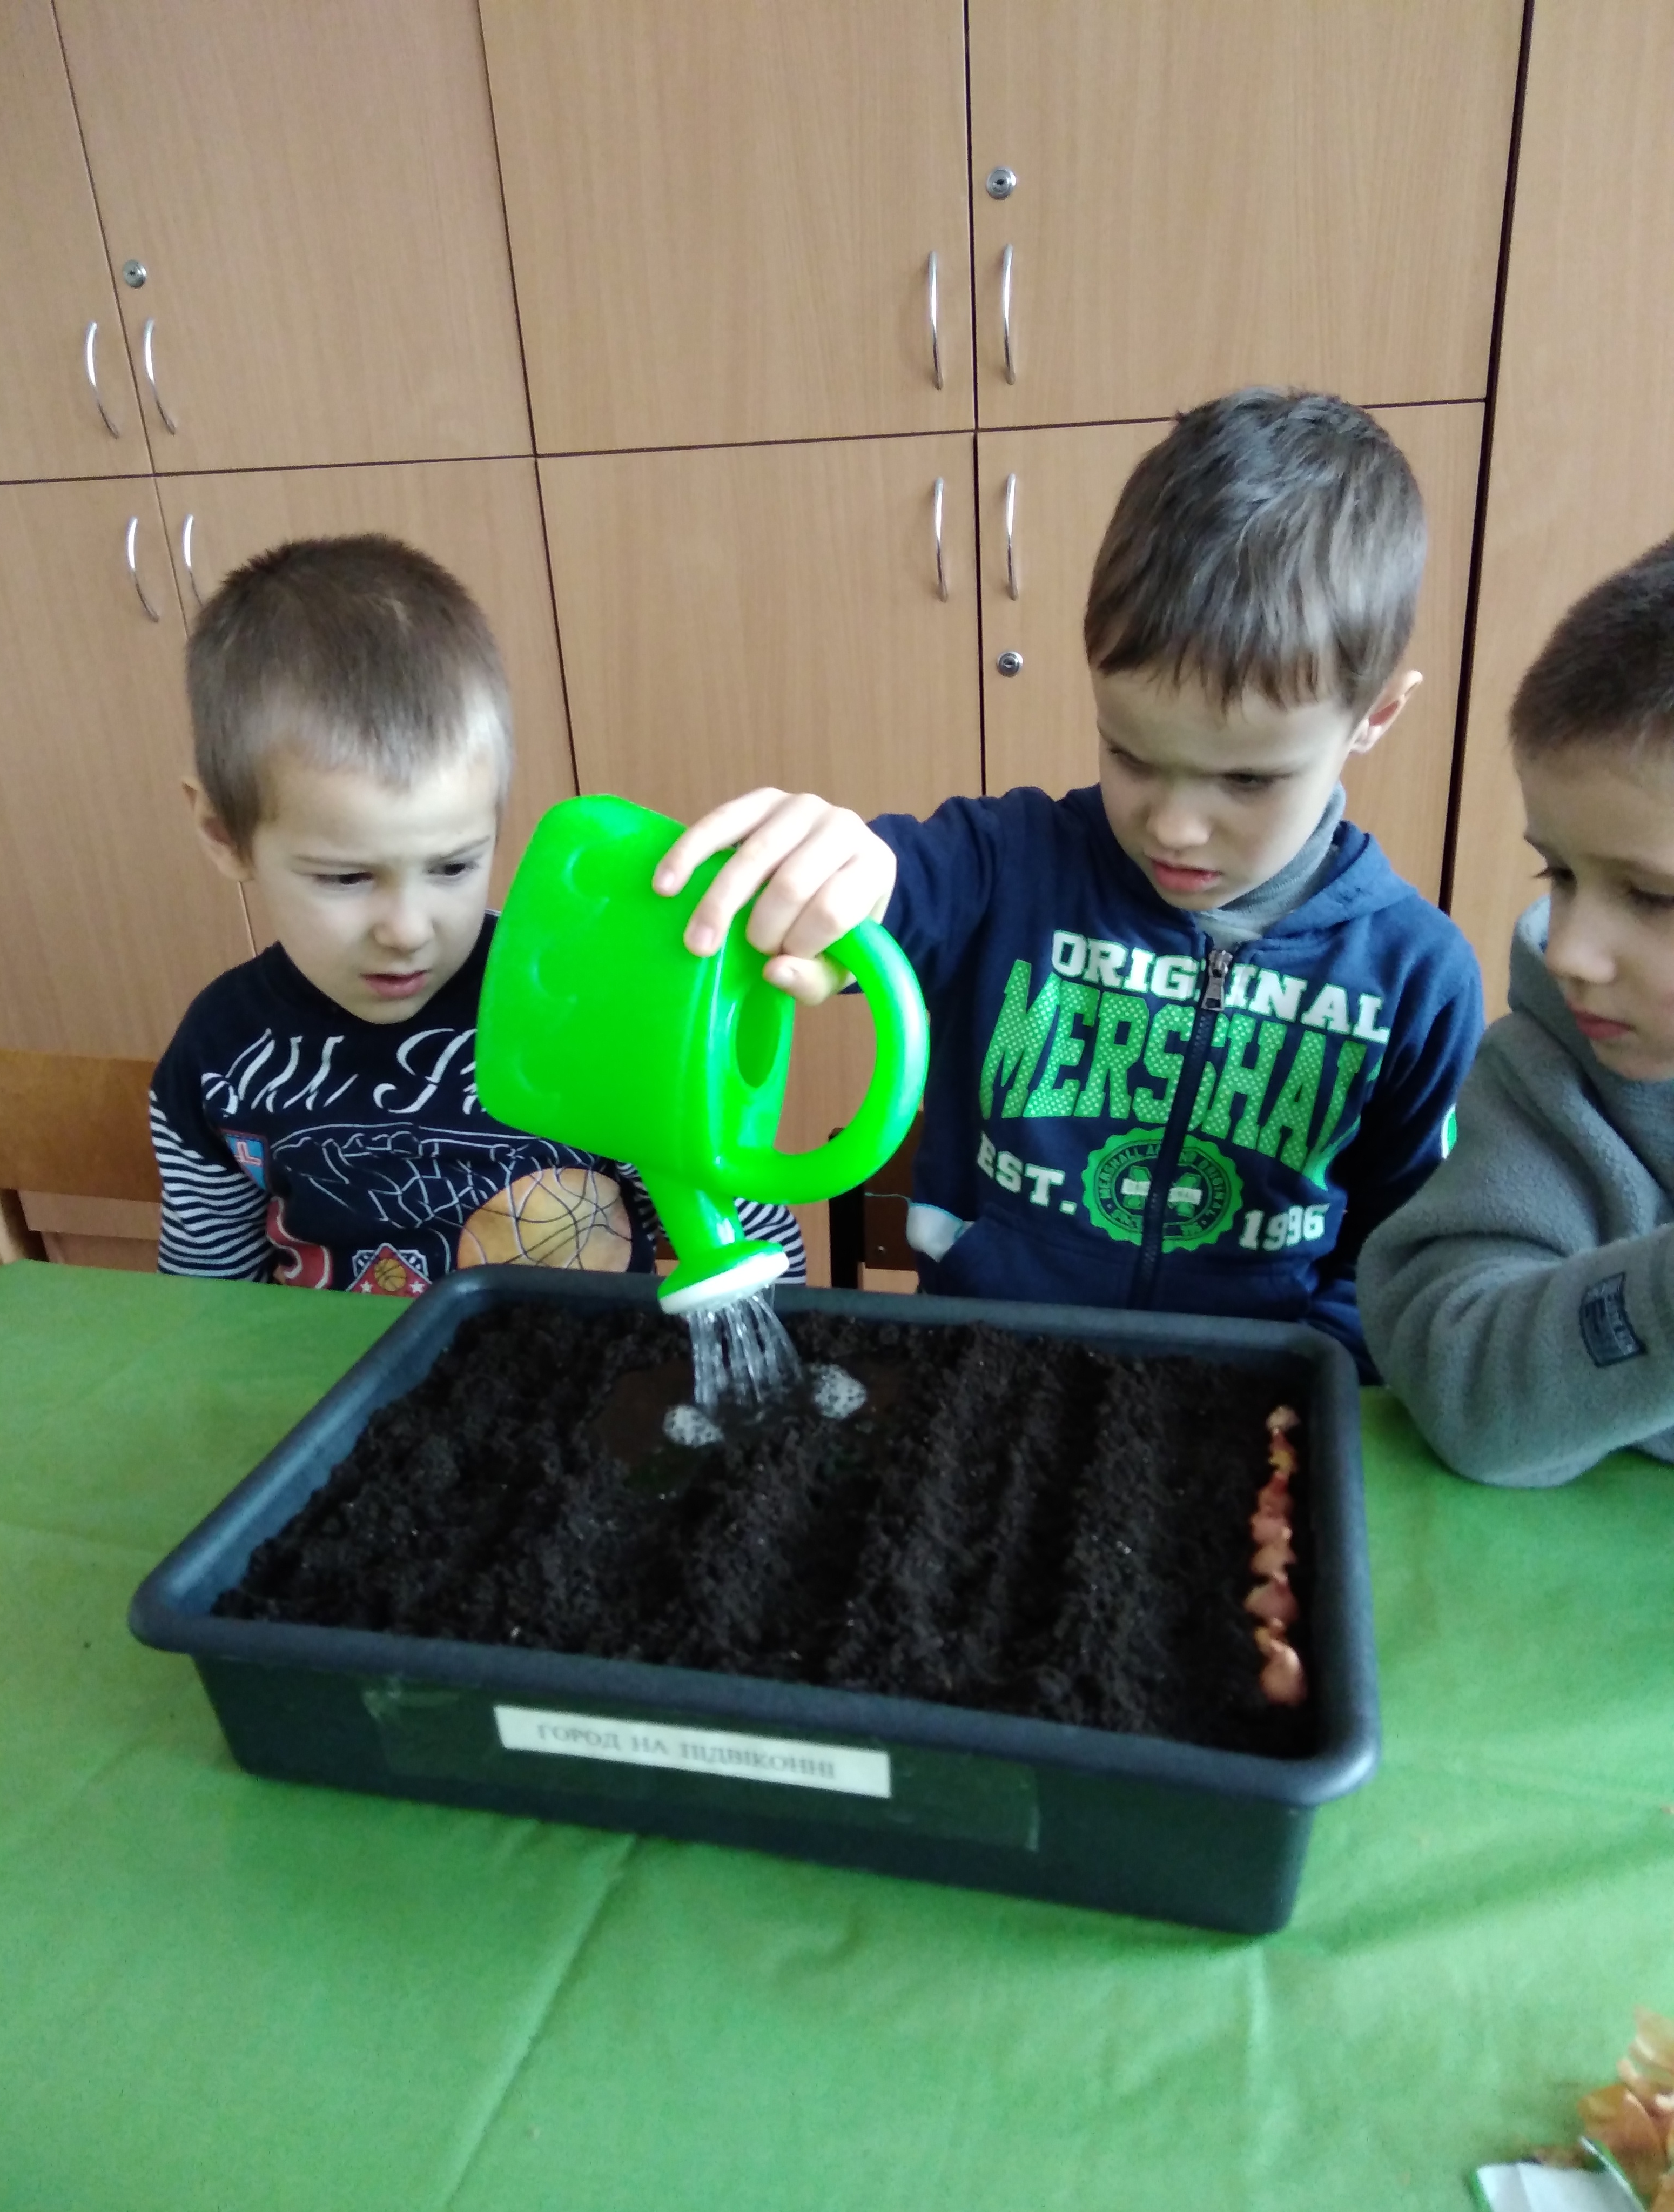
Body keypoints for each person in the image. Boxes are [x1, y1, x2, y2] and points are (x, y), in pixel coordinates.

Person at [654, 389, 1483, 1368]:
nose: (1173, 826)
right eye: (1130, 754)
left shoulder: (1418, 979)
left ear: (1376, 715)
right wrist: (837, 871)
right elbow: (887, 891)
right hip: (982, 1367)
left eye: (1249, 780)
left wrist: (1317, 1380)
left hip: (1244, 1405)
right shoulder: (1002, 866)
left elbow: (1398, 1257)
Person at [152, 534, 804, 1296]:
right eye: (346, 877)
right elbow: (205, 1299)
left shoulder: (587, 1010)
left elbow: (751, 1246)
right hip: (341, 1371)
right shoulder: (219, 1053)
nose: (407, 930)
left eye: (453, 867)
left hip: (580, 1366)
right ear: (223, 834)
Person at [1361, 536, 1674, 1483]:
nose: (1569, 950)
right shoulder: (1552, 1073)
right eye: (1561, 874)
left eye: (1653, 898)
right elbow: (1456, 1375)